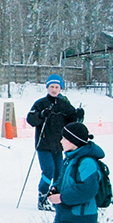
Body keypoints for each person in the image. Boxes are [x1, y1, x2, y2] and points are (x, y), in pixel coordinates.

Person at [26, 74, 82, 211]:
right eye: (52, 86)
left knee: (59, 173)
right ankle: (43, 198)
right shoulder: (40, 103)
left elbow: (73, 123)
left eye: (57, 87)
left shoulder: (64, 105)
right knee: (48, 171)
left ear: (61, 89)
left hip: (58, 145)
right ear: (47, 87)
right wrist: (41, 115)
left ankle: (55, 198)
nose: (54, 89)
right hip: (43, 144)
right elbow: (30, 120)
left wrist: (79, 115)